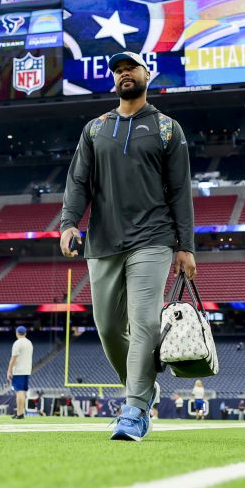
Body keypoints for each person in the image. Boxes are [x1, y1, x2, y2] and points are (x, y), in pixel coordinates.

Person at [59, 51, 196, 442]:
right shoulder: (95, 129)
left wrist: (185, 246)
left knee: (146, 324)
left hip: (152, 240)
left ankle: (134, 408)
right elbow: (78, 182)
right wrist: (69, 223)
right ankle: (145, 390)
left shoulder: (169, 129)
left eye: (130, 68)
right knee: (107, 327)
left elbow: (181, 191)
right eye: (117, 71)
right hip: (102, 242)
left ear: (146, 74)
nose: (124, 75)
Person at [7, 326, 33, 420]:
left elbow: (13, 358)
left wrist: (9, 370)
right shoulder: (29, 342)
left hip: (19, 371)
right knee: (23, 392)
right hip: (27, 370)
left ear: (17, 333)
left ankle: (19, 413)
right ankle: (21, 413)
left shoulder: (17, 343)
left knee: (19, 392)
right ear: (25, 333)